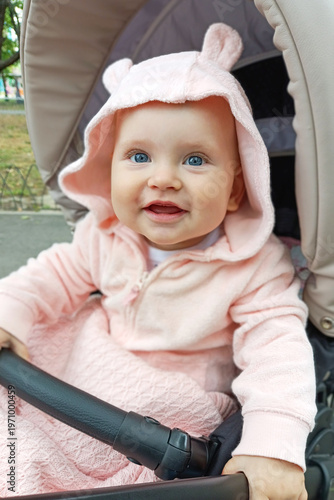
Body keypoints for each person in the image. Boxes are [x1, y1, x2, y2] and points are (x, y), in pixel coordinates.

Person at [0, 23, 316, 499]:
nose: (163, 178)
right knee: (21, 429)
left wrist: (273, 445)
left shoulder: (254, 266)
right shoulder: (104, 234)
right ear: (109, 172)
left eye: (193, 160)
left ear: (234, 190)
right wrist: (9, 314)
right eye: (140, 156)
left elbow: (279, 352)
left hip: (170, 401)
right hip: (88, 368)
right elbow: (46, 278)